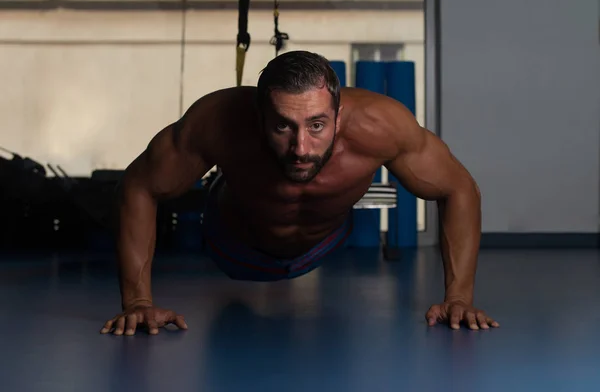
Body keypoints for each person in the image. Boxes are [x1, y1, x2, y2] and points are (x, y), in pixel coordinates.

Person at [100, 50, 499, 336]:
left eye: (317, 125)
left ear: (339, 115)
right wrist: (138, 304)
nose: (301, 147)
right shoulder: (217, 121)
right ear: (260, 117)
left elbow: (459, 187)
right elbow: (138, 186)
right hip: (233, 245)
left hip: (325, 240)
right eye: (282, 127)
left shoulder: (383, 124)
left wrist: (458, 298)